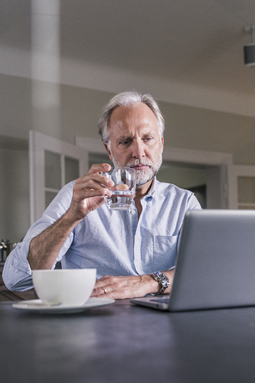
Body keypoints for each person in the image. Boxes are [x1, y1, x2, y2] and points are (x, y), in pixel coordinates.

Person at [3, 91, 201, 299]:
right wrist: (71, 217)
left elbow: (205, 272)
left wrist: (147, 282)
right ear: (109, 150)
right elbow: (15, 279)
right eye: (125, 141)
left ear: (160, 142)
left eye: (147, 138)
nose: (139, 152)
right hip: (91, 325)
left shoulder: (184, 203)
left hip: (165, 325)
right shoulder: (77, 196)